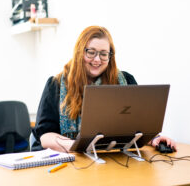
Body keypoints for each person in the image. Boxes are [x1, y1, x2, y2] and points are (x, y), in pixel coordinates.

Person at [31, 26, 177, 152]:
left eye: (103, 53)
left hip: (113, 158)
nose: (97, 59)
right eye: (91, 52)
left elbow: (138, 126)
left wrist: (154, 139)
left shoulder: (126, 81)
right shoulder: (55, 85)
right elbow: (44, 136)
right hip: (72, 160)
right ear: (80, 52)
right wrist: (77, 146)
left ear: (110, 56)